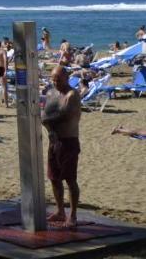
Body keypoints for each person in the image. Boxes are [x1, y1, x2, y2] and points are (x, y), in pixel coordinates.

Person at [42, 65, 82, 228]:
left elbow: (64, 115)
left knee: (70, 179)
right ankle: (60, 211)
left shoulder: (72, 95)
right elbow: (45, 112)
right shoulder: (51, 92)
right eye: (53, 79)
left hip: (68, 141)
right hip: (54, 141)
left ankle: (72, 216)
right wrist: (48, 125)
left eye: (59, 79)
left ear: (67, 78)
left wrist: (46, 121)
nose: (56, 82)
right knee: (54, 178)